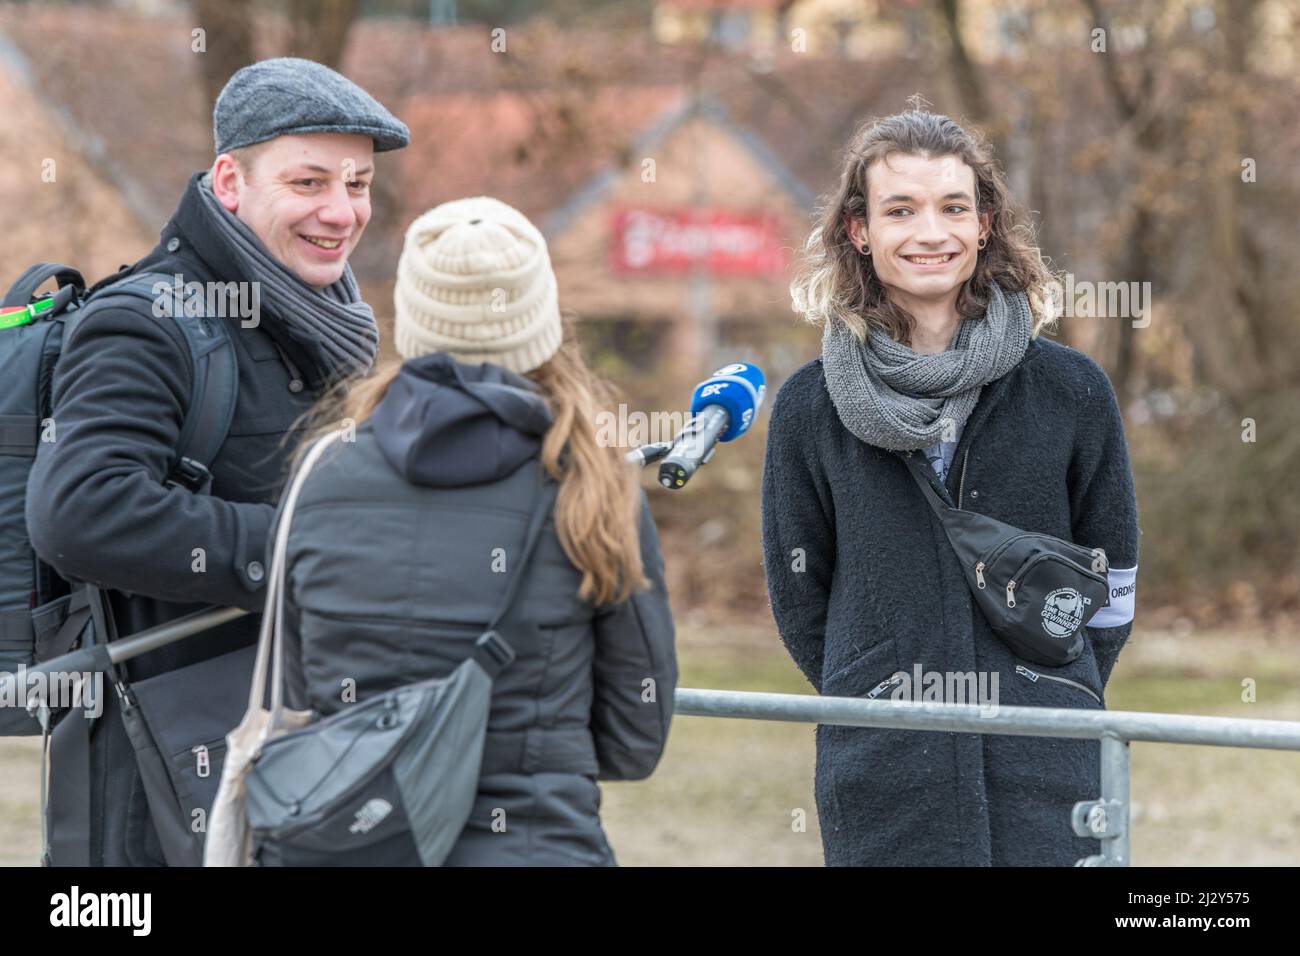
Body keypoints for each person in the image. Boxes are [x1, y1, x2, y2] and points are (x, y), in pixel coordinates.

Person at [26, 57, 409, 866]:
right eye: (309, 183)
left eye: (358, 184)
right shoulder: (148, 321)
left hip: (291, 758)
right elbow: (79, 510)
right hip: (154, 786)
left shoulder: (321, 325)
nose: (341, 212)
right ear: (229, 181)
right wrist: (308, 550)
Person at [763, 109, 1140, 866]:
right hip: (883, 776)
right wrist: (869, 686)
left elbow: (1114, 581)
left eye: (952, 208)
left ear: (984, 225)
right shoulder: (810, 406)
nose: (929, 232)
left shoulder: (1072, 390)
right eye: (900, 210)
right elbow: (801, 598)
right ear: (858, 231)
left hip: (1046, 766)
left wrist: (1051, 689)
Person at [275, 196, 678, 866]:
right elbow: (636, 734)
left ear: (413, 321)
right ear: (540, 322)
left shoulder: (321, 469)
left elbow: (297, 689)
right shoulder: (591, 486)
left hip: (348, 844)